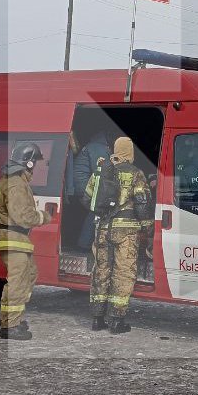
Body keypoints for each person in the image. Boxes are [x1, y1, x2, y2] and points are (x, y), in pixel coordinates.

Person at [86, 136, 154, 334]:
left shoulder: (102, 171)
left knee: (101, 270)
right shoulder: (135, 174)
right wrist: (148, 230)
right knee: (123, 272)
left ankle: (97, 318)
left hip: (102, 230)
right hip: (127, 232)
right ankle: (117, 320)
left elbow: (87, 196)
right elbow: (142, 205)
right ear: (130, 153)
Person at [0, 143, 51, 340]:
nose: (36, 168)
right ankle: (10, 325)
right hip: (13, 236)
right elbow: (23, 215)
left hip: (12, 236)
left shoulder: (12, 180)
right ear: (28, 163)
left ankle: (9, 317)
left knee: (28, 274)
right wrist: (43, 216)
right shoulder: (16, 183)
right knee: (18, 280)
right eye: (35, 163)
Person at [67, 130, 111, 251]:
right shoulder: (98, 148)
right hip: (84, 186)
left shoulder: (93, 146)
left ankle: (85, 243)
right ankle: (85, 244)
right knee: (97, 210)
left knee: (94, 212)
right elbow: (103, 171)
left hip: (81, 185)